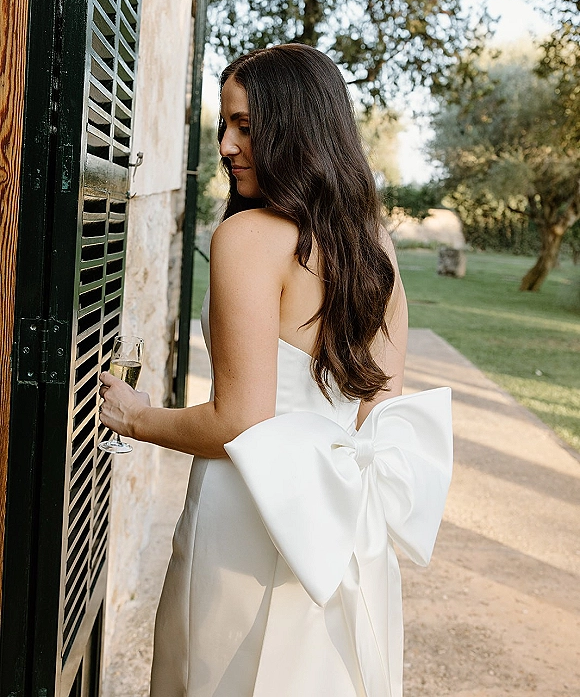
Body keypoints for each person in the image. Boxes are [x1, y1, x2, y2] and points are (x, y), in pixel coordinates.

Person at [99, 43, 453, 697]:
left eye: (246, 127)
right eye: (223, 127)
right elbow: (382, 412)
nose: (227, 145)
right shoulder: (377, 249)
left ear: (296, 129)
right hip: (346, 535)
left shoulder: (246, 239)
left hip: (245, 518)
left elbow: (239, 420)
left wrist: (134, 416)